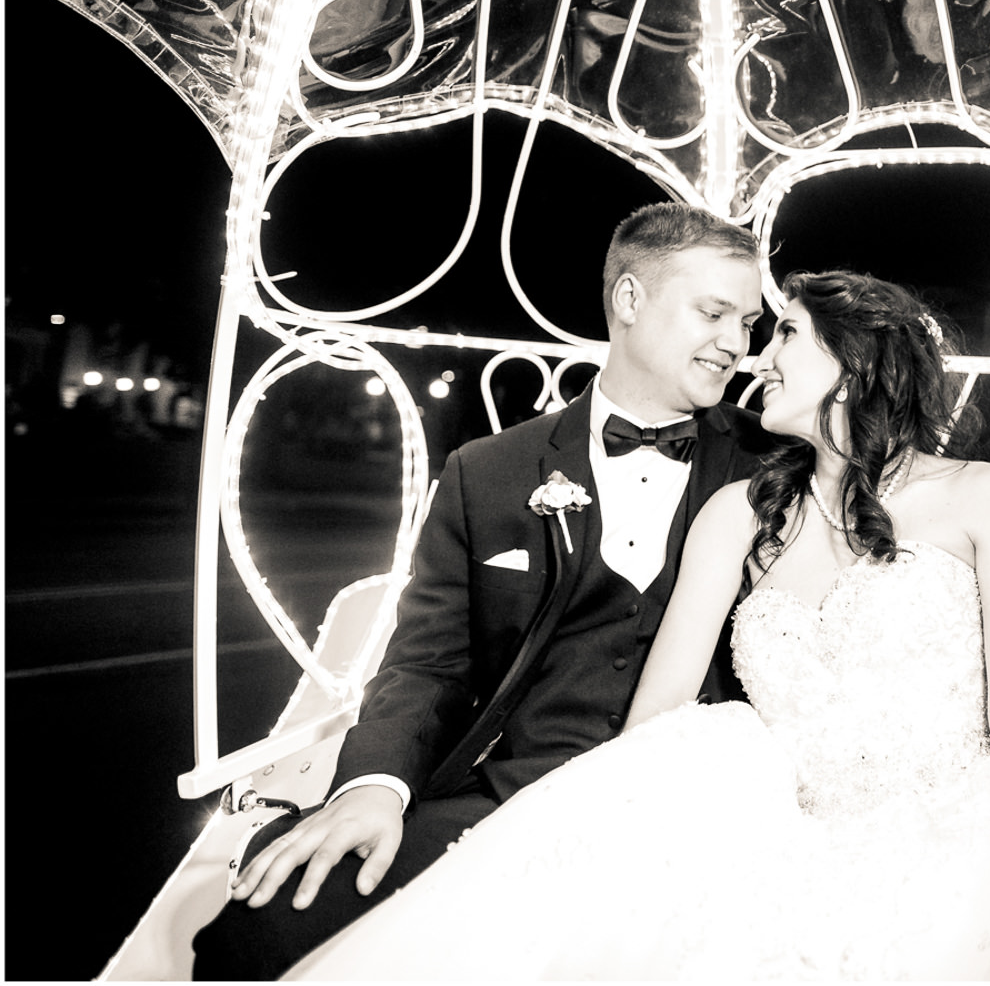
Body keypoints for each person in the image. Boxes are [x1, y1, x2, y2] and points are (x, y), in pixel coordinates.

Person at [282, 271, 990, 979]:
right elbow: (660, 711)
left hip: (963, 822)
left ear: (858, 356)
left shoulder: (980, 496)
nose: (758, 354)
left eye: (786, 334)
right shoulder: (740, 514)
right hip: (785, 830)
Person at [199, 205, 777, 978]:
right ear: (630, 300)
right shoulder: (488, 470)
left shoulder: (774, 463)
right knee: (262, 914)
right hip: (514, 797)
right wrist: (376, 786)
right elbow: (427, 664)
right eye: (714, 312)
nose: (737, 344)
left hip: (698, 812)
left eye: (749, 321)